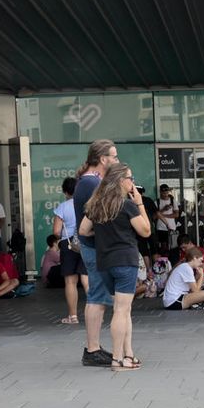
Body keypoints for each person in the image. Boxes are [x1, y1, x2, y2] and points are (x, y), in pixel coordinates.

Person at [80, 163, 150, 371]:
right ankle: (118, 359)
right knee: (121, 310)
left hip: (104, 262)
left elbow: (83, 230)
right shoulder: (127, 205)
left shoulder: (96, 204)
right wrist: (140, 204)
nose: (133, 182)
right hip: (125, 260)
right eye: (130, 178)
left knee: (124, 309)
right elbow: (145, 231)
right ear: (120, 180)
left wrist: (103, 235)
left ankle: (128, 354)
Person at [75, 140, 119, 365]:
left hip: (93, 247)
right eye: (114, 156)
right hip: (93, 248)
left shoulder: (89, 182)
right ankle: (92, 349)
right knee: (97, 296)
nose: (116, 161)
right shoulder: (91, 184)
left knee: (98, 295)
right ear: (103, 159)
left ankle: (94, 347)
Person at [52, 176, 87, 325]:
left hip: (69, 245)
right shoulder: (85, 205)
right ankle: (96, 313)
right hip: (85, 242)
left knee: (71, 282)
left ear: (65, 191)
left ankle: (73, 316)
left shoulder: (62, 207)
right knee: (87, 279)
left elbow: (56, 232)